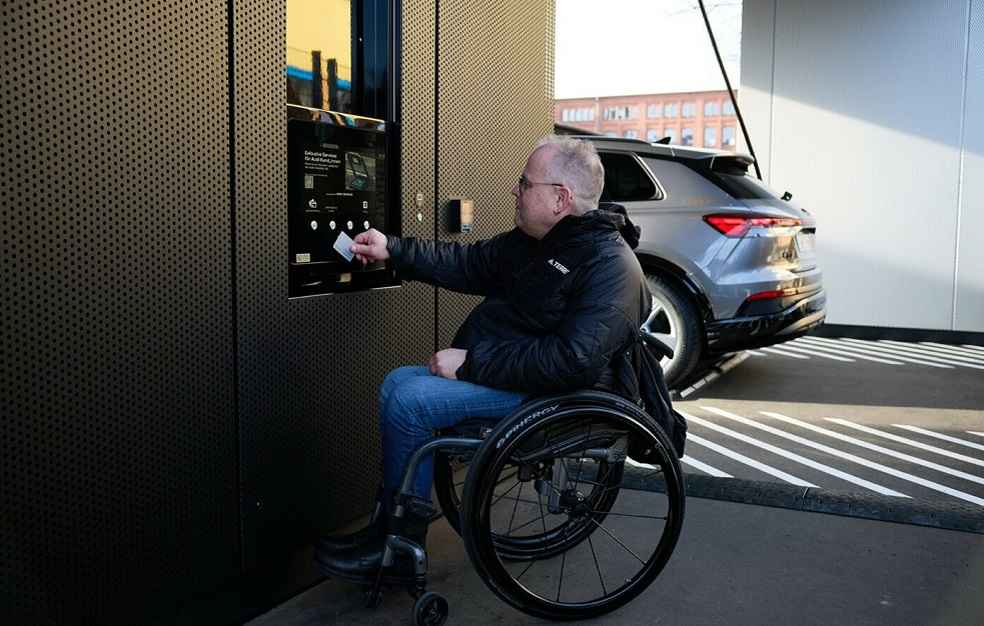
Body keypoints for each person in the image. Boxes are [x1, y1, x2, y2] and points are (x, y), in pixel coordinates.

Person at [316, 135, 651, 581]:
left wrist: (471, 363)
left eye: (524, 182)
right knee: (398, 382)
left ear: (560, 198)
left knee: (411, 400)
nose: (514, 190)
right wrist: (392, 249)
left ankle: (399, 552)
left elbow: (572, 361)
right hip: (522, 377)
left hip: (564, 395)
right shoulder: (537, 242)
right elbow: (467, 261)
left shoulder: (610, 266)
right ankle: (390, 528)